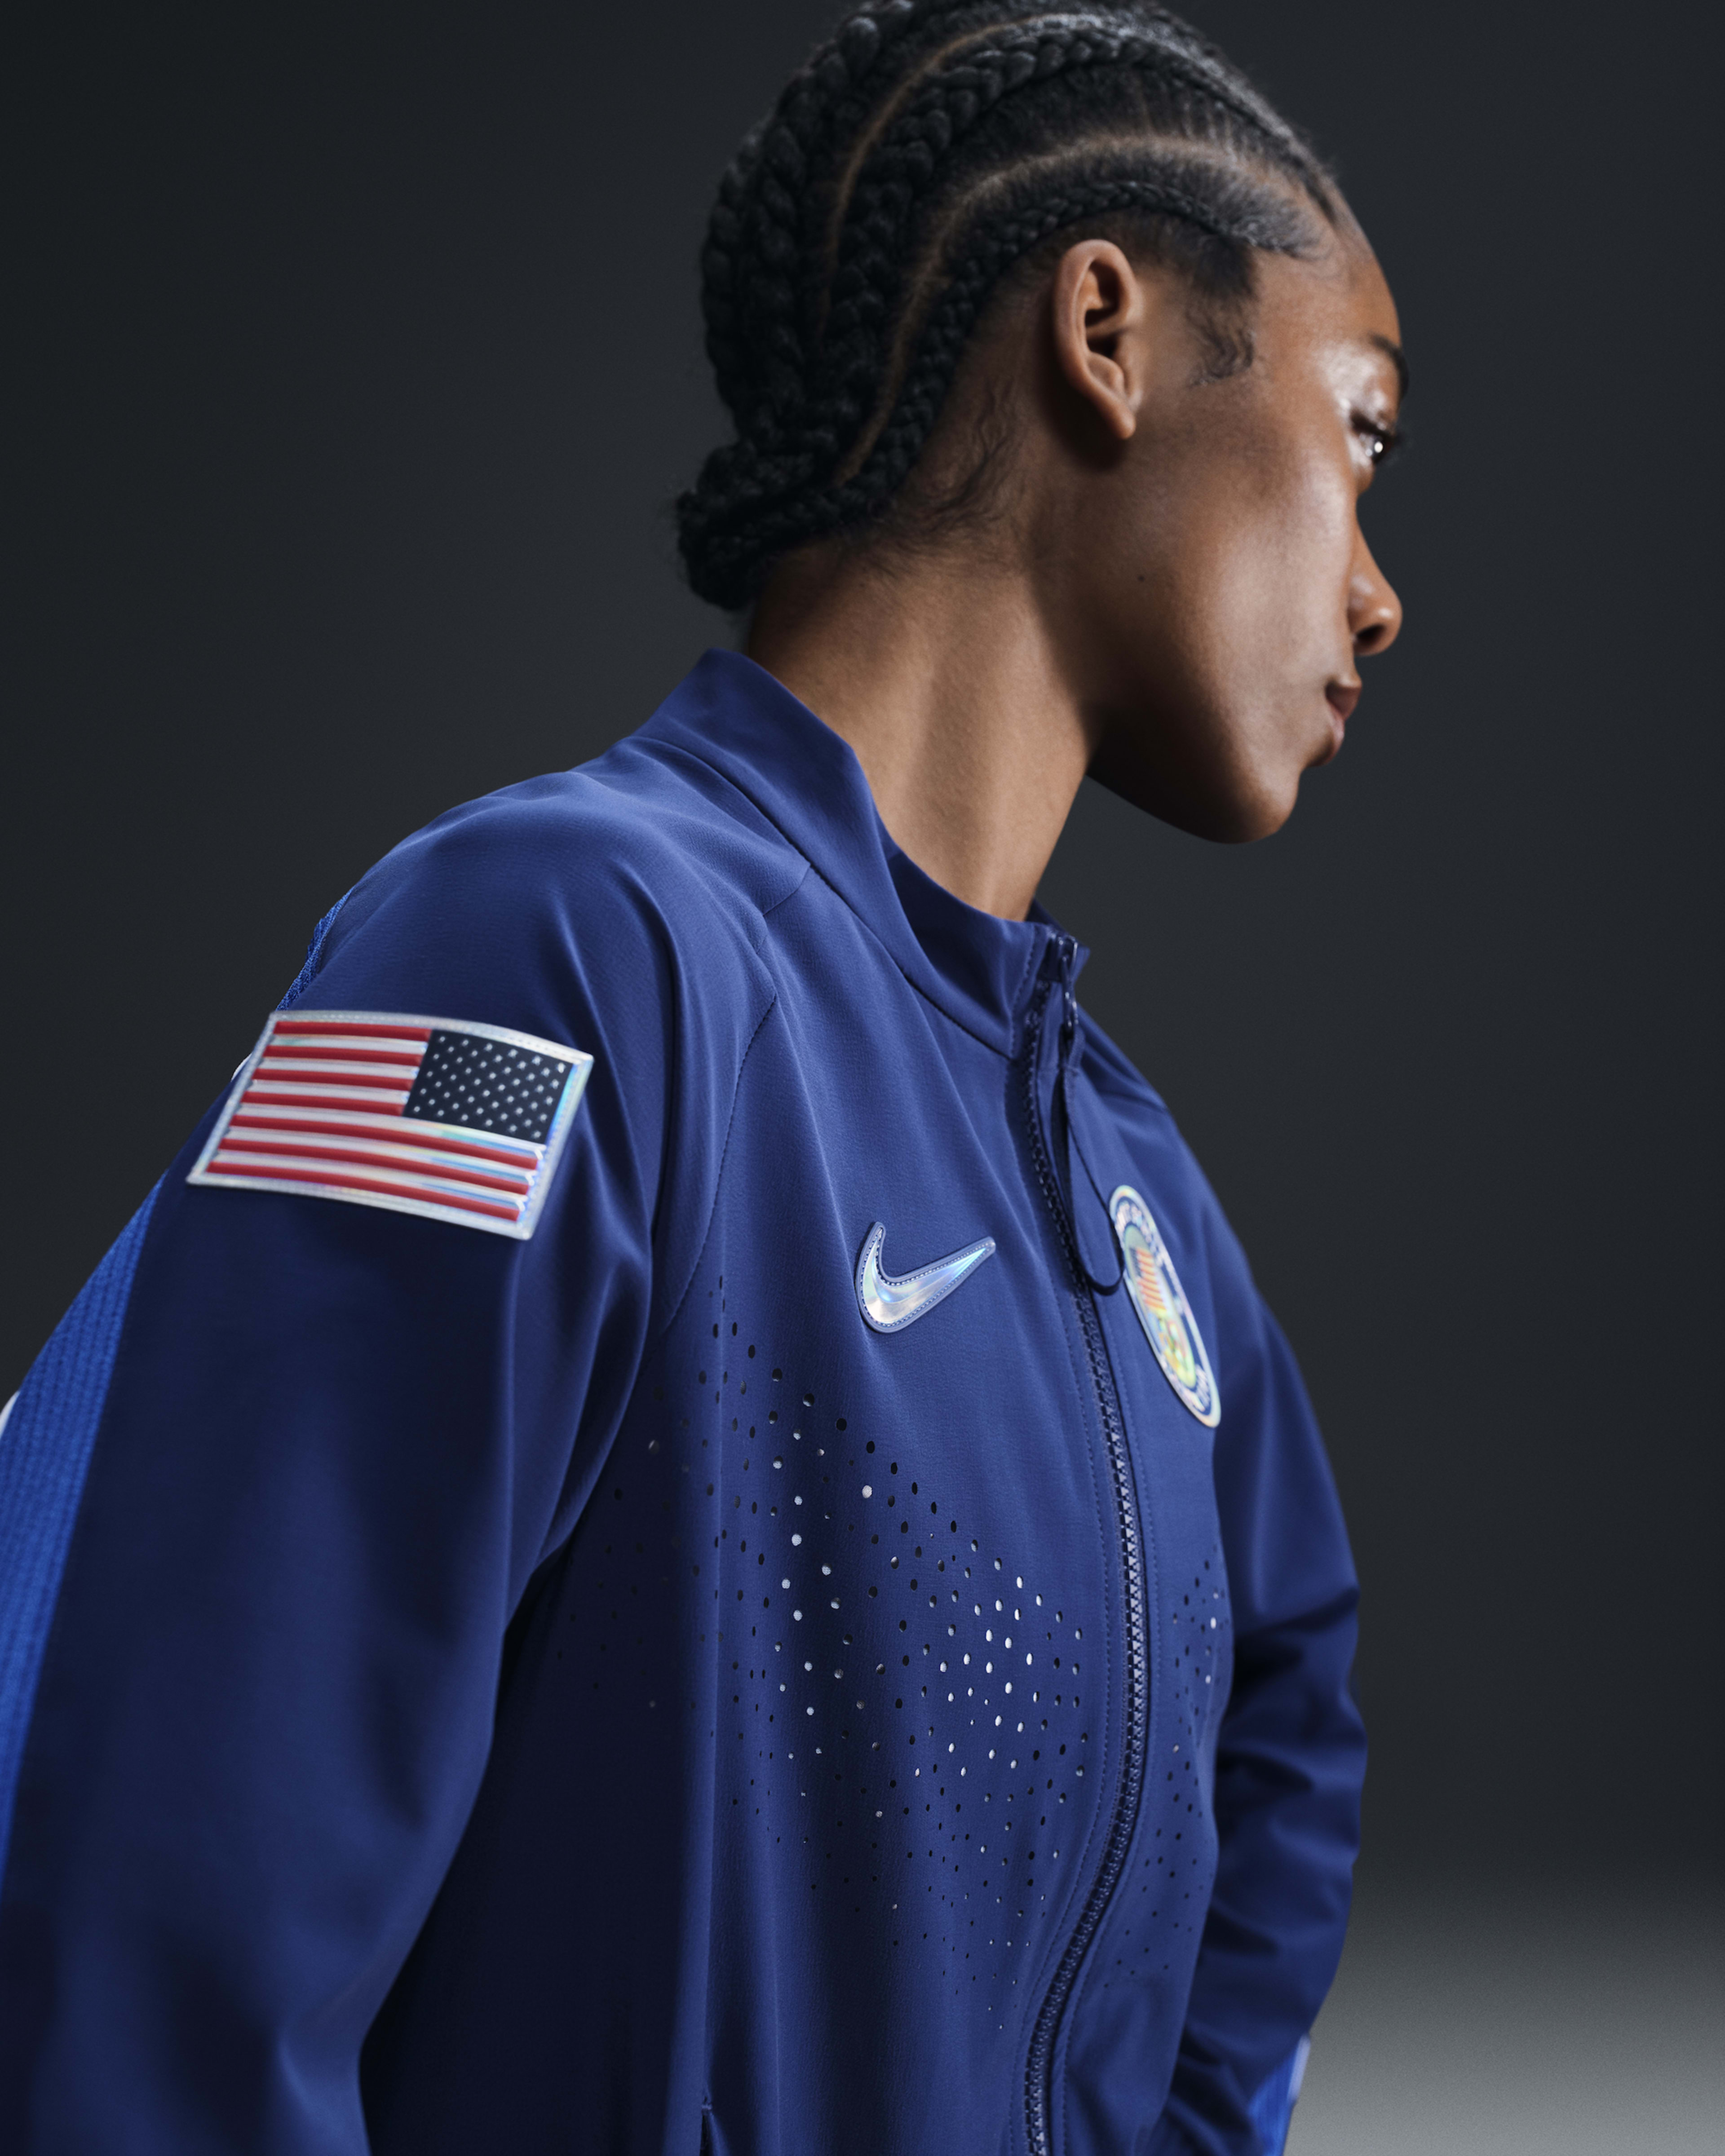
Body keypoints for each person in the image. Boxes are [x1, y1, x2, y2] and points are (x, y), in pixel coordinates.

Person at [0, 4, 1404, 2150]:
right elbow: (167, 1931)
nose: (1383, 598)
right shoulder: (546, 958)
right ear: (1107, 331)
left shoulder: (1133, 1202)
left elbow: (1289, 1725)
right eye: (1363, 432)